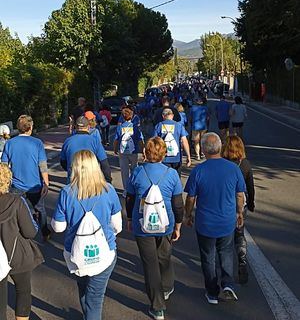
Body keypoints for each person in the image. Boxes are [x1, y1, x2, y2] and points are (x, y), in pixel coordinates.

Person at [51, 150, 122, 320]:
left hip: (75, 253)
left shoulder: (67, 193)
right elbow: (117, 226)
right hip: (105, 253)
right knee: (95, 297)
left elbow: (58, 227)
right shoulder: (109, 190)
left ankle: (87, 315)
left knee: (83, 288)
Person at [126, 137, 184, 320]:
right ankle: (167, 287)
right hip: (165, 223)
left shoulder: (137, 172)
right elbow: (178, 204)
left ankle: (157, 306)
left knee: (150, 263)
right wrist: (178, 225)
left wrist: (129, 217)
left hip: (142, 224)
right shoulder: (172, 174)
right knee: (164, 256)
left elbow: (130, 198)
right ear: (164, 153)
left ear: (146, 153)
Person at [184, 132, 246, 304]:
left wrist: (187, 215)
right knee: (226, 252)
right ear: (219, 147)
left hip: (205, 223)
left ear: (203, 150)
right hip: (227, 221)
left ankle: (212, 292)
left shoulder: (198, 170)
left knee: (208, 257)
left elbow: (190, 198)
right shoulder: (233, 169)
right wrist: (239, 212)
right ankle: (228, 285)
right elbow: (240, 195)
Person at [0, 163, 44, 320]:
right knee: (23, 290)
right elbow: (30, 232)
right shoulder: (17, 202)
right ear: (7, 181)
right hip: (17, 255)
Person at [1, 115, 51, 241]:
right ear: (31, 127)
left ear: (18, 127)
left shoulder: (10, 144)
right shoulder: (37, 143)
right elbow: (42, 165)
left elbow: (4, 166)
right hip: (34, 184)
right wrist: (46, 183)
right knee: (40, 209)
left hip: (16, 185)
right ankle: (45, 232)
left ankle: (18, 233)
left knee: (15, 209)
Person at [222, 135, 255, 284]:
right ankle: (242, 261)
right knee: (239, 234)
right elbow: (250, 186)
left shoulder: (222, 163)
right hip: (241, 204)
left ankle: (225, 267)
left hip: (225, 203)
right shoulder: (245, 164)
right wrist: (252, 203)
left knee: (226, 236)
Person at [60, 116, 112, 183]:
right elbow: (104, 164)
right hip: (91, 180)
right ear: (88, 127)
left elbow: (63, 162)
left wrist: (71, 170)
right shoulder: (95, 141)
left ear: (75, 127)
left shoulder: (68, 141)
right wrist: (108, 180)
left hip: (73, 180)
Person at [113, 105, 144, 196]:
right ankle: (134, 188)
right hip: (133, 151)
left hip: (122, 151)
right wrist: (143, 150)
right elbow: (140, 139)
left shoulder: (120, 127)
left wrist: (115, 149)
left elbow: (116, 140)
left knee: (124, 171)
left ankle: (126, 190)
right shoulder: (135, 127)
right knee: (135, 169)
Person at [153, 108, 191, 175]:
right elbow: (184, 141)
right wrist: (188, 156)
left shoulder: (159, 126)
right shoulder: (179, 126)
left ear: (163, 116)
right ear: (172, 115)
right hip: (176, 157)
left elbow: (154, 142)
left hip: (163, 157)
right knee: (176, 177)